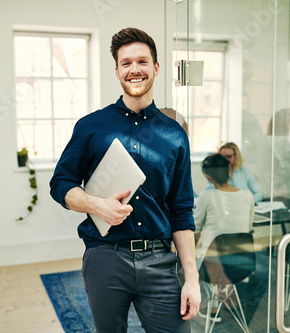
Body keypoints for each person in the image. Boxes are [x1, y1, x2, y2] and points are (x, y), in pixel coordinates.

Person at [50, 27, 200, 333]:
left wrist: (192, 279)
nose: (135, 69)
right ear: (117, 70)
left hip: (159, 260)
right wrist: (96, 205)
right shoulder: (92, 127)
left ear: (156, 68)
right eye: (126, 63)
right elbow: (60, 183)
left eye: (142, 62)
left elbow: (182, 211)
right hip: (105, 258)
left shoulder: (175, 135)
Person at [195, 153, 254, 268]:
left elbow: (195, 227)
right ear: (229, 172)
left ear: (208, 177)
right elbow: (249, 228)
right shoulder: (248, 195)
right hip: (241, 261)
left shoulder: (206, 195)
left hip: (212, 264)